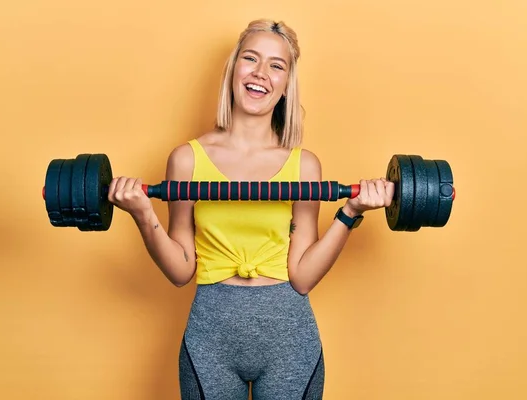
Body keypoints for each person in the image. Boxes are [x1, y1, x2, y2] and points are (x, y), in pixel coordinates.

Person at [107, 19, 394, 400]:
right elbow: (180, 270)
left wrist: (350, 212)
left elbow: (303, 276)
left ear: (287, 85)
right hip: (211, 339)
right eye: (251, 59)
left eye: (277, 65)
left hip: (289, 340)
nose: (261, 74)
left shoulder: (304, 167)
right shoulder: (187, 160)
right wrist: (143, 214)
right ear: (233, 70)